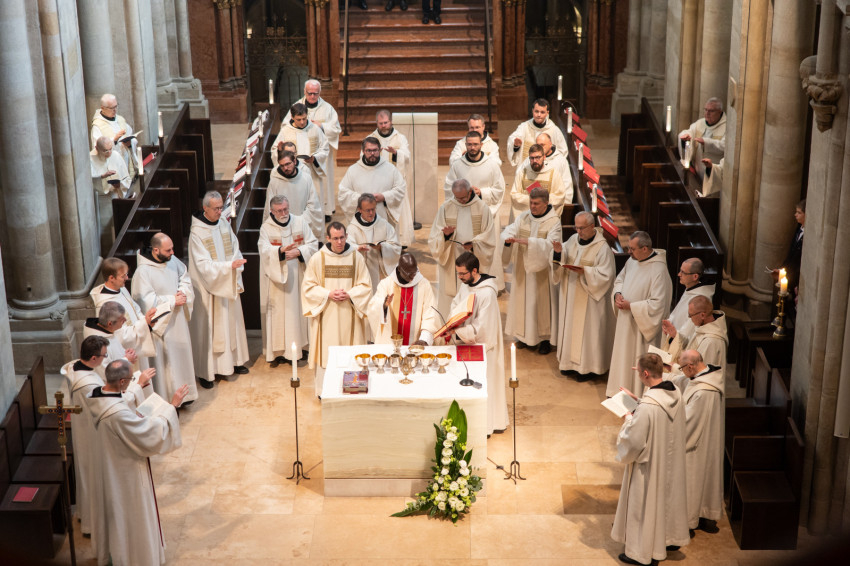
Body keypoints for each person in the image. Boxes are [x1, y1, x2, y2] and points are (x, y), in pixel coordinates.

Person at [86, 359, 188, 566]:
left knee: (116, 516)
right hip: (126, 473)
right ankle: (136, 559)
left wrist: (138, 386)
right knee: (132, 515)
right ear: (122, 381)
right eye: (130, 378)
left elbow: (121, 401)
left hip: (110, 465)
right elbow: (149, 434)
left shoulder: (97, 395)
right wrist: (172, 407)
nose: (131, 381)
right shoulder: (118, 414)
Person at [611, 353, 690, 566]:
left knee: (645, 505)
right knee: (667, 499)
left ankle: (641, 553)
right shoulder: (675, 392)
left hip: (650, 466)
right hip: (670, 460)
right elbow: (660, 418)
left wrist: (628, 417)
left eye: (639, 372)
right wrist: (637, 402)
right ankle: (667, 539)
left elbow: (634, 441)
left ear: (645, 373)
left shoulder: (649, 406)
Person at [302, 222, 373, 395]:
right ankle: (325, 391)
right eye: (335, 238)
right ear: (328, 238)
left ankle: (353, 388)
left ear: (347, 236)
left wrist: (350, 294)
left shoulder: (356, 257)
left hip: (350, 314)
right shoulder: (318, 258)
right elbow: (308, 287)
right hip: (327, 315)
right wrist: (328, 294)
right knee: (327, 353)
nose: (339, 242)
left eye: (342, 237)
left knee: (352, 353)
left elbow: (366, 286)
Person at [188, 191, 250, 388]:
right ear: (205, 208)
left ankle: (235, 361)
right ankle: (207, 372)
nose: (219, 211)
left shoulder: (223, 223)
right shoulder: (197, 233)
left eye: (221, 207)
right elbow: (203, 265)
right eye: (215, 208)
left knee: (232, 322)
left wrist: (235, 265)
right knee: (211, 329)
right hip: (210, 289)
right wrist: (228, 267)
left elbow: (234, 246)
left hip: (227, 282)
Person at [131, 232, 199, 404]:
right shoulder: (143, 272)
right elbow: (145, 301)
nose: (172, 253)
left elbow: (184, 277)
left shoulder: (171, 260)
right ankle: (169, 398)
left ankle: (185, 394)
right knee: (167, 363)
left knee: (181, 358)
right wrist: (172, 301)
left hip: (178, 320)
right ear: (156, 250)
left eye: (172, 249)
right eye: (168, 250)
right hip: (162, 325)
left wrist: (183, 292)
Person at [446, 252, 508, 435]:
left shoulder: (487, 293)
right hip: (466, 340)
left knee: (485, 383)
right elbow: (456, 304)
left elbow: (483, 329)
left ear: (474, 271)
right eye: (458, 273)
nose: (460, 277)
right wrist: (453, 322)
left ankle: (487, 426)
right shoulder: (466, 285)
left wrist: (457, 331)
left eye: (462, 273)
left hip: (484, 347)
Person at [607, 231, 673, 398]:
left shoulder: (659, 269)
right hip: (625, 321)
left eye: (632, 249)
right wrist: (618, 294)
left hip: (641, 327)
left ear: (644, 248)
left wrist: (632, 306)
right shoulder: (632, 261)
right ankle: (619, 390)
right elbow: (620, 280)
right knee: (623, 356)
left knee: (636, 357)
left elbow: (658, 304)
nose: (629, 252)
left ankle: (636, 394)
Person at [553, 211, 616, 380]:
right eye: (576, 227)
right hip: (571, 294)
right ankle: (568, 364)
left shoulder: (602, 248)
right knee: (570, 328)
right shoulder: (573, 240)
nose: (578, 231)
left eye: (582, 228)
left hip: (590, 299)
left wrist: (586, 272)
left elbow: (607, 275)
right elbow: (563, 256)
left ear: (592, 226)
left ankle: (587, 369)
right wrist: (558, 253)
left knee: (587, 333)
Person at [258, 195, 318, 366]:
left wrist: (299, 252)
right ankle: (279, 352)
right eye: (279, 211)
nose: (284, 213)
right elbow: (263, 250)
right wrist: (279, 252)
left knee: (297, 312)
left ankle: (301, 348)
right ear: (272, 211)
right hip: (277, 281)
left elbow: (313, 244)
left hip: (298, 276)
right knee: (280, 314)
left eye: (286, 209)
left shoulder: (300, 222)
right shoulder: (266, 228)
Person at [670, 350, 724, 537]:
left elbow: (688, 426)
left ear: (691, 366)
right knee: (704, 481)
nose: (682, 371)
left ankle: (688, 522)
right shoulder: (708, 375)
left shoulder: (703, 392)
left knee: (692, 481)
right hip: (707, 439)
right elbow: (684, 381)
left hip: (696, 447)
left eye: (683, 368)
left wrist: (667, 428)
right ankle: (704, 515)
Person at [59, 337, 109, 538]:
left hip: (84, 429)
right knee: (91, 475)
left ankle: (86, 516)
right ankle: (91, 524)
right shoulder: (88, 385)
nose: (105, 359)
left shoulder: (75, 367)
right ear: (94, 358)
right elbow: (105, 408)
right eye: (104, 355)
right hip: (90, 433)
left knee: (86, 473)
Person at [444, 130, 506, 290]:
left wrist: (482, 193)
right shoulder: (457, 165)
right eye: (469, 144)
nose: (472, 147)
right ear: (465, 145)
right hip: (463, 215)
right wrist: (462, 195)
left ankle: (489, 286)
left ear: (481, 145)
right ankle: (464, 288)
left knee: (487, 250)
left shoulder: (491, 165)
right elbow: (448, 188)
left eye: (475, 144)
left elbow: (499, 190)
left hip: (486, 215)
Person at [501, 188, 561, 355]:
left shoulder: (554, 221)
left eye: (536, 204)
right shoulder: (524, 216)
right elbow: (510, 230)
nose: (532, 206)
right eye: (531, 203)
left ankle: (544, 339)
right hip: (522, 269)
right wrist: (507, 239)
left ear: (546, 203)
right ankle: (523, 336)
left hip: (542, 273)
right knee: (523, 302)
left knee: (541, 305)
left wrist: (530, 243)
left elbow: (552, 244)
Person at [428, 179, 499, 317]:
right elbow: (434, 237)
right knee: (450, 300)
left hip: (473, 257)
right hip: (451, 258)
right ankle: (449, 326)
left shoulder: (482, 208)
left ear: (470, 191)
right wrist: (445, 236)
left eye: (463, 198)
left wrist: (474, 245)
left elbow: (489, 237)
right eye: (457, 198)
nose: (460, 201)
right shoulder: (446, 207)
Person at [338, 136, 413, 245]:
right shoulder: (353, 170)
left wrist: (384, 196)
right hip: (361, 219)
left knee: (384, 248)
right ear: (363, 151)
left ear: (380, 150)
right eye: (369, 150)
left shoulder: (390, 169)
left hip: (383, 216)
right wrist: (362, 199)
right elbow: (343, 193)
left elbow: (400, 189)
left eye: (375, 150)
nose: (372, 153)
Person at [282, 80, 342, 216]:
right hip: (300, 154)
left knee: (321, 183)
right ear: (305, 91)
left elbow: (336, 129)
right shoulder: (296, 106)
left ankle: (325, 211)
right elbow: (285, 127)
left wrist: (322, 126)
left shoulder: (327, 108)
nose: (312, 96)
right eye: (310, 93)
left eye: (316, 93)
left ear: (320, 92)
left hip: (320, 154)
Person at [90, 258, 158, 370]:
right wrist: (145, 324)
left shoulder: (121, 289)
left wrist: (146, 320)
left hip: (137, 339)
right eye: (123, 276)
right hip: (127, 351)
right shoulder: (106, 304)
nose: (127, 278)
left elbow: (135, 309)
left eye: (126, 274)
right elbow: (119, 335)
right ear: (111, 278)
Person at [367, 252, 440, 345]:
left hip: (416, 344)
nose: (412, 277)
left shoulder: (424, 285)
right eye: (409, 273)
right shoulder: (386, 284)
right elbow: (373, 310)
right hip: (390, 344)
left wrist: (424, 339)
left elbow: (430, 315)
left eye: (414, 273)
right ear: (399, 269)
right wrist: (384, 305)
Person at [272, 102, 330, 217]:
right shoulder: (285, 131)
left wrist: (315, 158)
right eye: (299, 119)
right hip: (293, 174)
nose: (302, 122)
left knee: (313, 201)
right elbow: (274, 151)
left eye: (304, 118)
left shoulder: (315, 129)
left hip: (312, 172)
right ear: (292, 117)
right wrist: (279, 151)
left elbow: (325, 148)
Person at [366, 110, 415, 245]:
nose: (383, 126)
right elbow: (362, 156)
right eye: (381, 123)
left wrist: (396, 153)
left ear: (391, 122)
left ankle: (401, 241)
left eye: (386, 122)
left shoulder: (400, 138)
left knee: (400, 211)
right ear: (376, 123)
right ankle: (381, 239)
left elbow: (407, 156)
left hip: (396, 182)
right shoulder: (370, 138)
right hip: (377, 182)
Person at [82, 301, 151, 379]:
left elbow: (113, 353)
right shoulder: (97, 346)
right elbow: (105, 374)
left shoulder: (106, 330)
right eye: (122, 319)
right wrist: (126, 360)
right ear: (110, 323)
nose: (125, 320)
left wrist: (125, 353)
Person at [346, 193, 402, 288]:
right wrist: (357, 248)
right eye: (367, 210)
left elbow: (396, 247)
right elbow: (347, 247)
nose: (371, 213)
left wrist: (382, 247)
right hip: (361, 271)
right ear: (359, 209)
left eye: (373, 209)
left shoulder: (384, 224)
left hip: (379, 272)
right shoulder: (352, 228)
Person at [265, 149, 324, 239]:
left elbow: (313, 205)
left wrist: (299, 222)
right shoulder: (274, 182)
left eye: (288, 164)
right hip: (282, 228)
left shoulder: (306, 178)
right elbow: (270, 208)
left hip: (303, 225)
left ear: (295, 161)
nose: (285, 168)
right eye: (282, 165)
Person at [664, 296, 728, 373]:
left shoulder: (711, 342)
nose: (690, 318)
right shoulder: (704, 326)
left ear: (702, 315)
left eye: (691, 315)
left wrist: (674, 368)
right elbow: (691, 347)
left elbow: (700, 373)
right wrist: (675, 336)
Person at [662, 258, 715, 348]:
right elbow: (678, 313)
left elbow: (689, 331)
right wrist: (669, 323)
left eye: (683, 272)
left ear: (695, 276)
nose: (679, 274)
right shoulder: (691, 289)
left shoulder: (701, 298)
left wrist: (676, 334)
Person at [508, 143, 568, 220]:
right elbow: (514, 195)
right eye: (532, 158)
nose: (535, 161)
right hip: (526, 219)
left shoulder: (553, 174)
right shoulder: (523, 173)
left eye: (538, 157)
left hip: (546, 220)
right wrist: (532, 200)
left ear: (544, 157)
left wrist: (541, 201)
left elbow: (559, 196)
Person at [506, 98, 568, 168]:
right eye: (536, 111)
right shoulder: (524, 127)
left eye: (542, 112)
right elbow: (513, 140)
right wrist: (516, 146)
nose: (539, 115)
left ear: (547, 113)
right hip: (527, 168)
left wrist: (552, 164)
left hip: (546, 169)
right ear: (532, 111)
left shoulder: (554, 130)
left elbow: (562, 152)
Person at [90, 93, 138, 176]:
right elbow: (97, 150)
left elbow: (131, 136)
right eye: (112, 108)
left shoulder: (120, 119)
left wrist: (130, 143)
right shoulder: (97, 126)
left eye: (116, 106)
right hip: (112, 169)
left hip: (126, 162)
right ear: (102, 108)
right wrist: (114, 141)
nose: (115, 110)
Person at [679, 97, 726, 178]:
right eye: (706, 110)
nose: (707, 113)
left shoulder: (727, 127)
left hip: (715, 175)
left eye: (711, 111)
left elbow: (725, 146)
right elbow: (690, 131)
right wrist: (686, 135)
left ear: (719, 112)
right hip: (697, 172)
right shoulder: (700, 123)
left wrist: (706, 142)